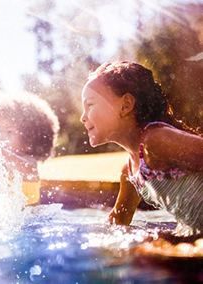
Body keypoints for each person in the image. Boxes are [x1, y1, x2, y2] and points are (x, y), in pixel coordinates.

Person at [80, 61, 203, 236]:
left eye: (90, 105)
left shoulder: (156, 141)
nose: (82, 118)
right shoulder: (129, 170)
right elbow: (118, 221)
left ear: (125, 105)